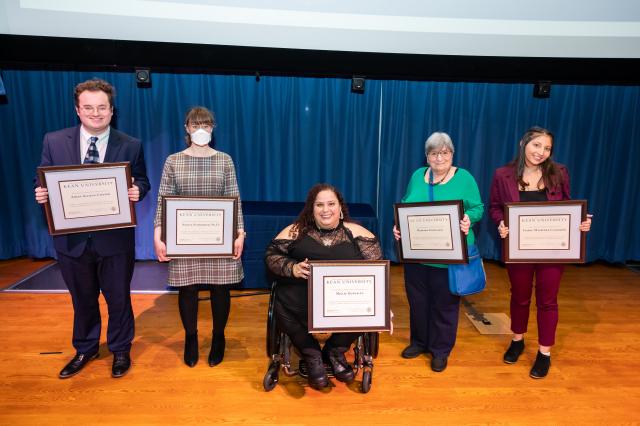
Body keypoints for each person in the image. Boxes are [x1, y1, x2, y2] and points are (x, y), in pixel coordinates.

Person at [34, 78, 150, 379]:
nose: (95, 113)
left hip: (115, 241)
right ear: (77, 109)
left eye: (102, 107)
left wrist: (138, 189)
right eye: (88, 107)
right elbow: (43, 180)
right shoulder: (54, 141)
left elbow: (142, 180)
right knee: (82, 299)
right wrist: (41, 193)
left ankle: (120, 349)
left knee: (119, 298)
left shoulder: (131, 144)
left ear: (112, 111)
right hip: (71, 241)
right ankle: (85, 348)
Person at [489, 126, 592, 379]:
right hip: (519, 250)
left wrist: (580, 222)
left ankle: (544, 353)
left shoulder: (560, 173)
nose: (541, 152)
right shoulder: (503, 174)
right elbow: (494, 207)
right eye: (537, 145)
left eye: (547, 148)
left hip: (552, 251)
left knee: (548, 300)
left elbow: (568, 206)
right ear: (524, 143)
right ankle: (517, 340)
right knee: (520, 297)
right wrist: (501, 223)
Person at [265, 183, 383, 389]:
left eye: (331, 204)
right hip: (301, 300)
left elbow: (377, 271)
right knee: (281, 302)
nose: (325, 209)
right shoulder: (296, 231)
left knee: (366, 306)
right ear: (312, 209)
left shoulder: (357, 233)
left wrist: (382, 309)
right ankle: (310, 353)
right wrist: (292, 267)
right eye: (319, 205)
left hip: (344, 302)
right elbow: (271, 255)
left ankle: (335, 350)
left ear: (340, 207)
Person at [153, 106, 245, 368]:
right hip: (186, 237)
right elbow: (163, 201)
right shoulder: (173, 161)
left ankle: (218, 338)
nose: (201, 129)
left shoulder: (224, 160)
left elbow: (234, 198)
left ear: (213, 128)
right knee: (188, 288)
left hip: (219, 237)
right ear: (187, 128)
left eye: (206, 125)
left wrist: (240, 233)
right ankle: (191, 338)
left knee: (219, 288)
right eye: (195, 125)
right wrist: (158, 234)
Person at [393, 132, 484, 373]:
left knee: (445, 305)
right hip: (417, 256)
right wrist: (399, 226)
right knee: (418, 302)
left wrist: (468, 219)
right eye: (434, 153)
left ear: (452, 154)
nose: (439, 157)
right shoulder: (417, 176)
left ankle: (440, 350)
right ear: (427, 156)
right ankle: (419, 343)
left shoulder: (465, 178)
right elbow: (405, 204)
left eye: (444, 152)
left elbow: (477, 208)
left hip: (448, 258)